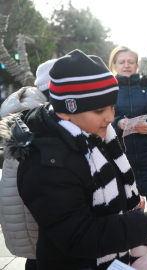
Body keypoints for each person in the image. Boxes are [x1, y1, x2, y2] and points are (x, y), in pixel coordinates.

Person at [0, 50, 147, 270]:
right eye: (99, 110)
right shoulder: (47, 162)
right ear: (66, 110)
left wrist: (127, 204)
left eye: (112, 107)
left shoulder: (98, 137)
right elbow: (78, 234)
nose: (110, 117)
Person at [108, 46, 147, 247]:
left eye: (130, 61)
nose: (126, 65)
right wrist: (117, 123)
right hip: (119, 158)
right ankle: (139, 252)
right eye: (121, 62)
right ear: (114, 65)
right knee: (129, 211)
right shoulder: (107, 90)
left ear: (137, 64)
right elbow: (98, 120)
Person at [0, 59, 56, 270]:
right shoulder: (39, 117)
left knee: (35, 259)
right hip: (34, 213)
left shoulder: (24, 111)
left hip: (22, 208)